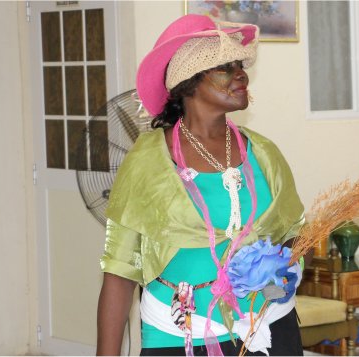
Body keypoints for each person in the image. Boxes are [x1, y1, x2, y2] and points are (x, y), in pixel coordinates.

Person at [96, 14, 306, 356]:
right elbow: (119, 272)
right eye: (226, 66)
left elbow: (294, 233)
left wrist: (283, 261)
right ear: (188, 82)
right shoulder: (149, 161)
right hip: (179, 334)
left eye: (240, 65)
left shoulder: (264, 153)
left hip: (267, 327)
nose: (241, 74)